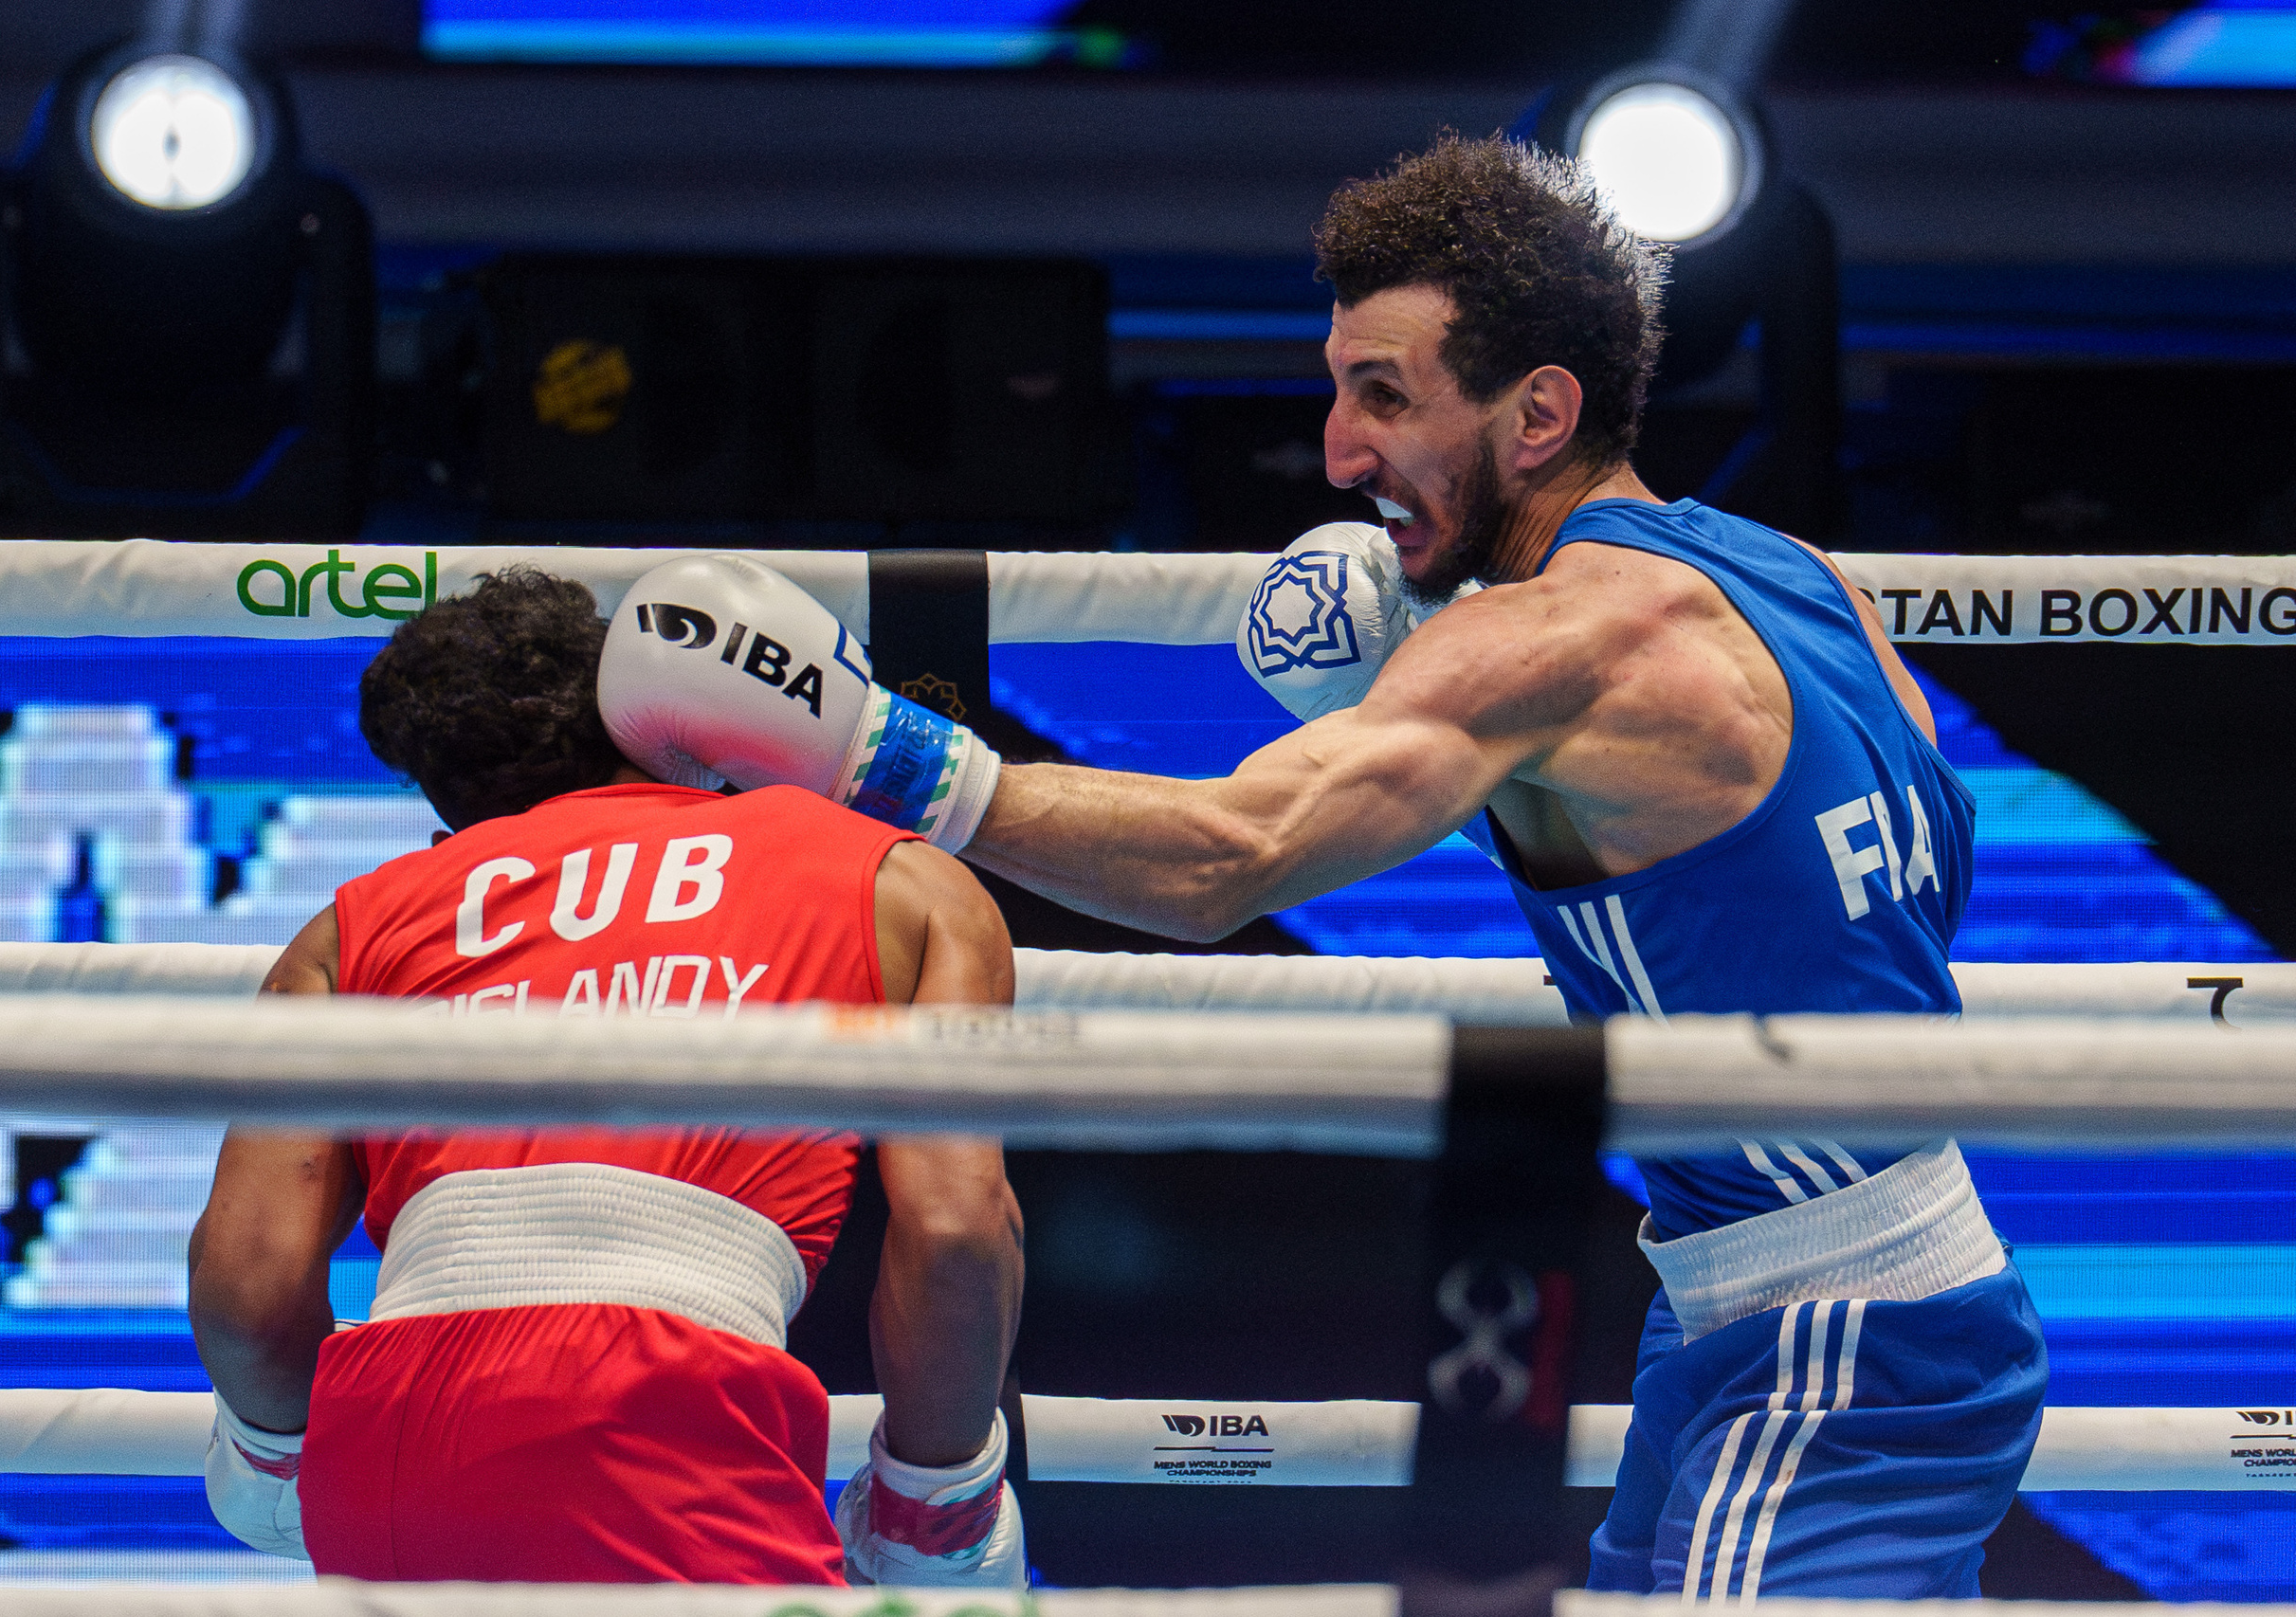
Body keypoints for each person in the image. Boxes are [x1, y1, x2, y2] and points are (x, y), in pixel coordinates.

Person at [594, 136, 2045, 1601]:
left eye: (1387, 395)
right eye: (1341, 385)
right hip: (1794, 1296)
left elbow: (1226, 862)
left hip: (1833, 1336)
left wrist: (878, 756)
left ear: (1540, 411)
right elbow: (1870, 879)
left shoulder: (1555, 644)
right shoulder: (1796, 573)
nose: (1341, 451)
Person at [187, 568, 1028, 1589]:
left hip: (395, 1436)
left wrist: (278, 1453)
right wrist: (932, 1500)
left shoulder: (358, 920)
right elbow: (953, 1225)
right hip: (672, 1417)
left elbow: (247, 1281)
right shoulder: (902, 881)